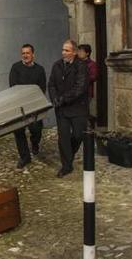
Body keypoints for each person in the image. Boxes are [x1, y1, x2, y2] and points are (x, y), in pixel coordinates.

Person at [48, 39, 89, 178]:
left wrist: (63, 98)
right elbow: (51, 84)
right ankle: (66, 165)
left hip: (78, 108)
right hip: (61, 109)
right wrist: (54, 98)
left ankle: (69, 155)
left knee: (78, 135)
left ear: (75, 52)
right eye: (63, 50)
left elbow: (80, 87)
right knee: (63, 137)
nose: (63, 53)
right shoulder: (57, 65)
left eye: (67, 50)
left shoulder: (81, 66)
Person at [8, 43, 47, 169]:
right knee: (18, 131)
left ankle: (35, 143)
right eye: (23, 53)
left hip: (34, 105)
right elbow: (13, 87)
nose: (25, 55)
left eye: (27, 53)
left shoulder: (40, 70)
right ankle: (25, 157)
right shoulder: (15, 68)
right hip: (19, 105)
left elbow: (42, 89)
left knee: (36, 129)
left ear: (33, 55)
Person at [78, 44, 98, 128]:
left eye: (81, 51)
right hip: (76, 92)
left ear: (87, 53)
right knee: (79, 111)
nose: (79, 53)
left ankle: (88, 125)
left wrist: (82, 79)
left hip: (86, 92)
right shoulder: (76, 63)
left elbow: (94, 76)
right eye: (78, 51)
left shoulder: (92, 64)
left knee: (83, 111)